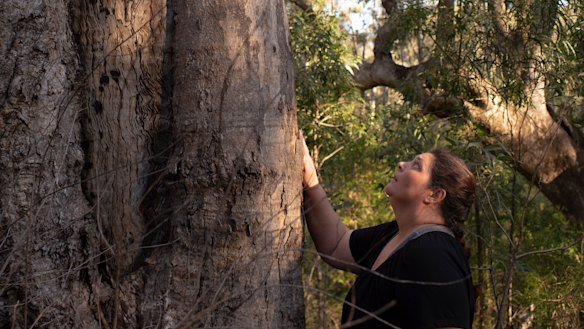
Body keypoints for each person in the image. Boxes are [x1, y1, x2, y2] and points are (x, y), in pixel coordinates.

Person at [301, 135, 476, 329]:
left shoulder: (434, 253)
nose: (402, 164)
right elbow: (335, 244)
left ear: (434, 195)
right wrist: (310, 182)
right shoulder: (393, 234)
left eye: (416, 166)